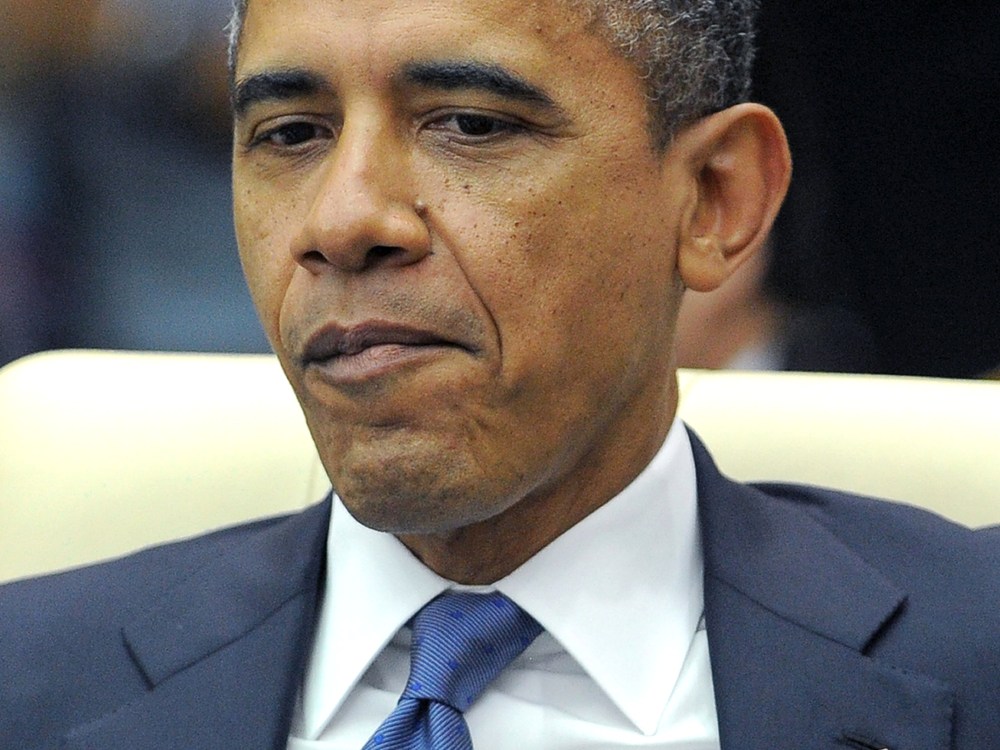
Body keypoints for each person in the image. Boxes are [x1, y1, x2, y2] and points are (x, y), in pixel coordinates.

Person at [2, 1, 998, 748]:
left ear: (712, 199)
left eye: (470, 124)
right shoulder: (31, 679)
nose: (342, 221)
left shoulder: (972, 654)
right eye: (291, 133)